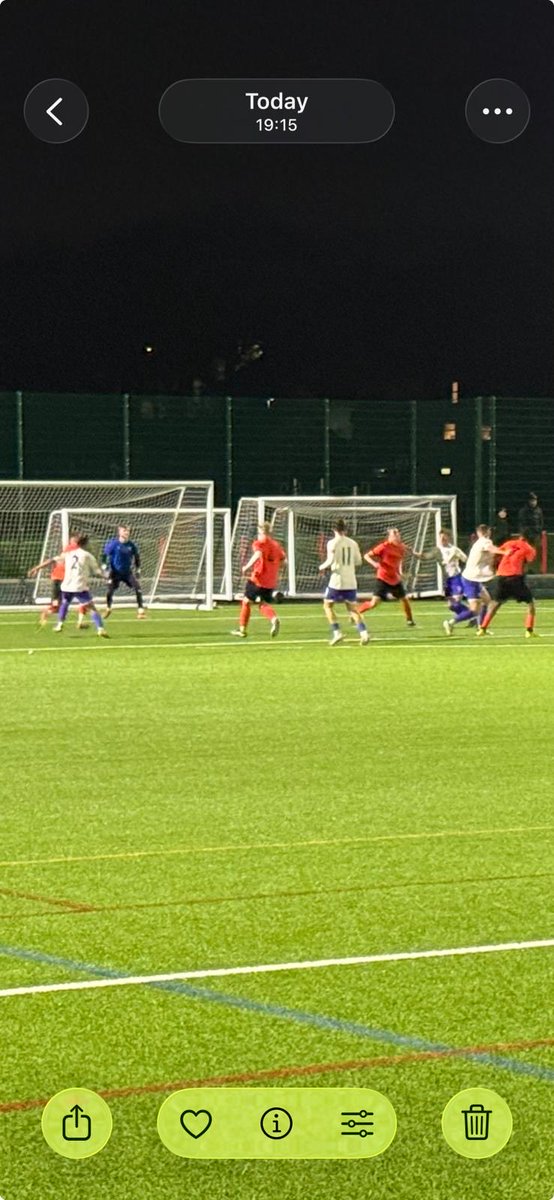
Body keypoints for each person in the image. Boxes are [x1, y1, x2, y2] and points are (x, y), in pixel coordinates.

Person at [32, 534, 108, 637]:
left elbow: (53, 560)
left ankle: (59, 624)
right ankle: (100, 628)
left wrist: (37, 568)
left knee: (65, 603)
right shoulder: (87, 555)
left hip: (67, 586)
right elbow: (97, 571)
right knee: (92, 608)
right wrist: (106, 576)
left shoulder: (68, 554)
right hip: (79, 586)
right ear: (85, 544)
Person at [318, 518, 369, 646]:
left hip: (337, 580)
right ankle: (364, 633)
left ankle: (337, 633)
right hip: (351, 580)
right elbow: (358, 561)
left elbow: (329, 561)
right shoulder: (353, 543)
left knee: (327, 606)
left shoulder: (332, 543)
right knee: (352, 609)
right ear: (345, 529)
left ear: (333, 529)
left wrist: (321, 567)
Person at [477, 530, 537, 638]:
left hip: (501, 577)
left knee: (495, 603)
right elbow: (528, 561)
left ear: (520, 536)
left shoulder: (509, 543)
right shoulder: (529, 548)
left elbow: (498, 553)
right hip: (515, 578)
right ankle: (529, 630)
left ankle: (482, 629)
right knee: (531, 603)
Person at [231, 522, 286, 638]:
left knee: (246, 601)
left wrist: (246, 566)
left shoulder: (259, 543)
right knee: (261, 603)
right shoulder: (276, 545)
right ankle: (273, 618)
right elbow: (284, 562)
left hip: (258, 579)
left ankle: (242, 630)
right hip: (270, 581)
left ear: (262, 532)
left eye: (259, 533)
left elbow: (257, 554)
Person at [417, 529, 476, 636]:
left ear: (449, 538)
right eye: (441, 537)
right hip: (447, 581)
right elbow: (425, 557)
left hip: (457, 578)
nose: (442, 539)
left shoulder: (454, 549)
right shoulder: (437, 550)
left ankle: (452, 622)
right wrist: (414, 553)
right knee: (451, 606)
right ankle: (472, 616)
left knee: (456, 602)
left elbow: (466, 560)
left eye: (444, 537)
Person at [29, 533, 89, 629]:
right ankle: (50, 612)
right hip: (63, 580)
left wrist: (36, 568)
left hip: (64, 580)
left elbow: (54, 560)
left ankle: (78, 621)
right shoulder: (74, 550)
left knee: (74, 602)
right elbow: (54, 560)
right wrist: (37, 568)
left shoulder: (71, 549)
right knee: (83, 600)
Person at [357, 527, 415, 626]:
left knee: (405, 599)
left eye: (398, 534)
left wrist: (400, 573)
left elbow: (399, 561)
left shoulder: (401, 547)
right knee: (374, 603)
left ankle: (410, 620)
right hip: (383, 578)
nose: (397, 535)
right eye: (394, 534)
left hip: (395, 579)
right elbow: (366, 556)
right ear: (390, 536)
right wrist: (374, 564)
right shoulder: (383, 547)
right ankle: (356, 612)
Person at [459, 523, 505, 633]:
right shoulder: (485, 541)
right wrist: (505, 552)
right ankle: (451, 622)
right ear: (488, 532)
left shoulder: (478, 542)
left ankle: (482, 627)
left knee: (487, 602)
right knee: (475, 608)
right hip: (473, 578)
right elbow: (491, 549)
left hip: (474, 577)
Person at [102, 525, 146, 618]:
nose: (126, 532)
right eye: (124, 530)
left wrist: (138, 569)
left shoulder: (131, 545)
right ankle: (108, 608)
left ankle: (141, 611)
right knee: (110, 590)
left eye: (128, 531)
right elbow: (105, 556)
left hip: (127, 573)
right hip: (115, 573)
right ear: (119, 532)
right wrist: (104, 568)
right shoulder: (113, 544)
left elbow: (137, 557)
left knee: (138, 588)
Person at [517, 493, 545, 565]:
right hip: (527, 535)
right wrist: (523, 534)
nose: (534, 502)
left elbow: (541, 522)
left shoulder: (539, 510)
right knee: (526, 553)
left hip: (536, 535)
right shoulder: (523, 511)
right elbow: (521, 524)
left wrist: (540, 531)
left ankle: (535, 567)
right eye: (532, 500)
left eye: (535, 500)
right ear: (528, 501)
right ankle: (527, 568)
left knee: (535, 552)